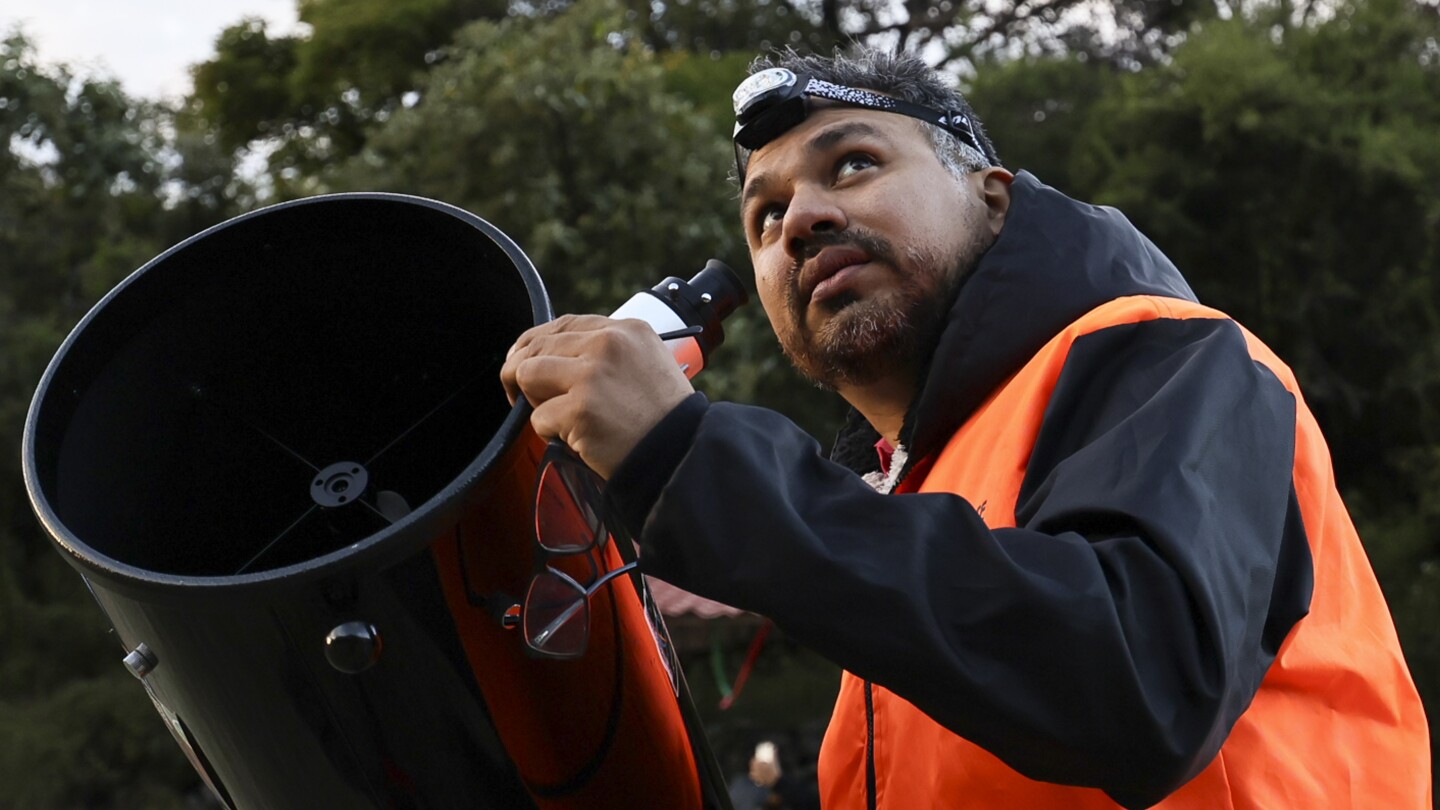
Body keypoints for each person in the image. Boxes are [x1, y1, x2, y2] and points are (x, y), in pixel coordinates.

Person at [500, 48, 1431, 808]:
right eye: (765, 214)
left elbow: (1143, 680)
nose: (800, 221)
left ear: (992, 194)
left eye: (853, 164)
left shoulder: (1173, 356)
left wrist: (690, 463)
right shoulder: (891, 521)